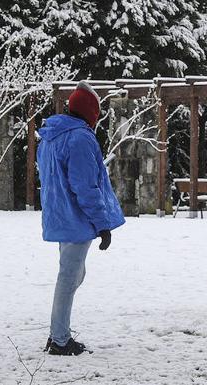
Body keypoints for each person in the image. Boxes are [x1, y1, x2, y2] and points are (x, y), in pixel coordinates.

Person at [37, 80, 125, 356]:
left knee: (74, 274)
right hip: (76, 220)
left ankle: (58, 334)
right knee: (69, 277)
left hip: (60, 216)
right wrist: (103, 224)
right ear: (91, 113)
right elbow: (85, 186)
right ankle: (59, 339)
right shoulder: (80, 138)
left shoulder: (52, 136)